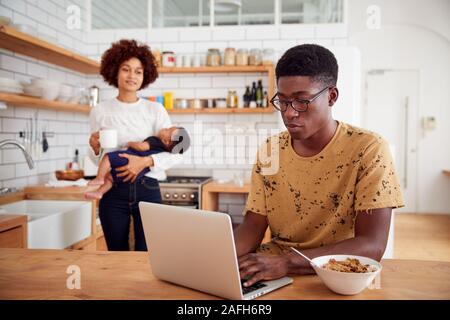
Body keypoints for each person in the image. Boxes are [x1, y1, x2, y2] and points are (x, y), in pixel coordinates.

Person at [235, 44, 404, 287]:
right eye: (282, 101)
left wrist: (286, 263)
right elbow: (253, 226)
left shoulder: (369, 149)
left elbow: (372, 245)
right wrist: (221, 257)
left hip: (335, 274)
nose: (289, 113)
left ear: (332, 96)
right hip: (272, 272)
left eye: (301, 101)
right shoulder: (270, 150)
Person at [88, 39, 184, 251]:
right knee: (115, 252)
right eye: (126, 69)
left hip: (147, 188)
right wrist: (94, 148)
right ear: (114, 71)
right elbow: (97, 158)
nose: (132, 76)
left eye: (138, 71)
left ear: (145, 75)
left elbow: (177, 152)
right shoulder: (99, 111)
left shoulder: (155, 110)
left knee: (149, 255)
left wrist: (144, 162)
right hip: (113, 191)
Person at [86, 126, 190, 200]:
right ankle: (99, 193)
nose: (165, 128)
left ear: (167, 141)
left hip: (129, 159)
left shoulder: (155, 141)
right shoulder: (164, 150)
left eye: (168, 130)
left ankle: (99, 179)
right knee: (111, 178)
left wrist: (129, 143)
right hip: (140, 173)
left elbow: (142, 146)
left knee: (107, 158)